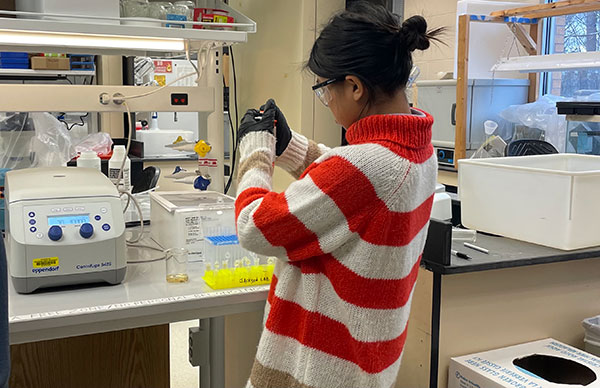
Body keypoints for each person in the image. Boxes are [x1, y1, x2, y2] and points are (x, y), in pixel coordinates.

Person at [235, 2, 444, 387]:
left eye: (324, 89)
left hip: (319, 369)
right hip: (364, 362)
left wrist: (256, 152)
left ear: (354, 86)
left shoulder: (366, 168)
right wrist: (290, 145)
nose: (326, 100)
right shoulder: (418, 149)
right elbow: (349, 185)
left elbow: (254, 227)